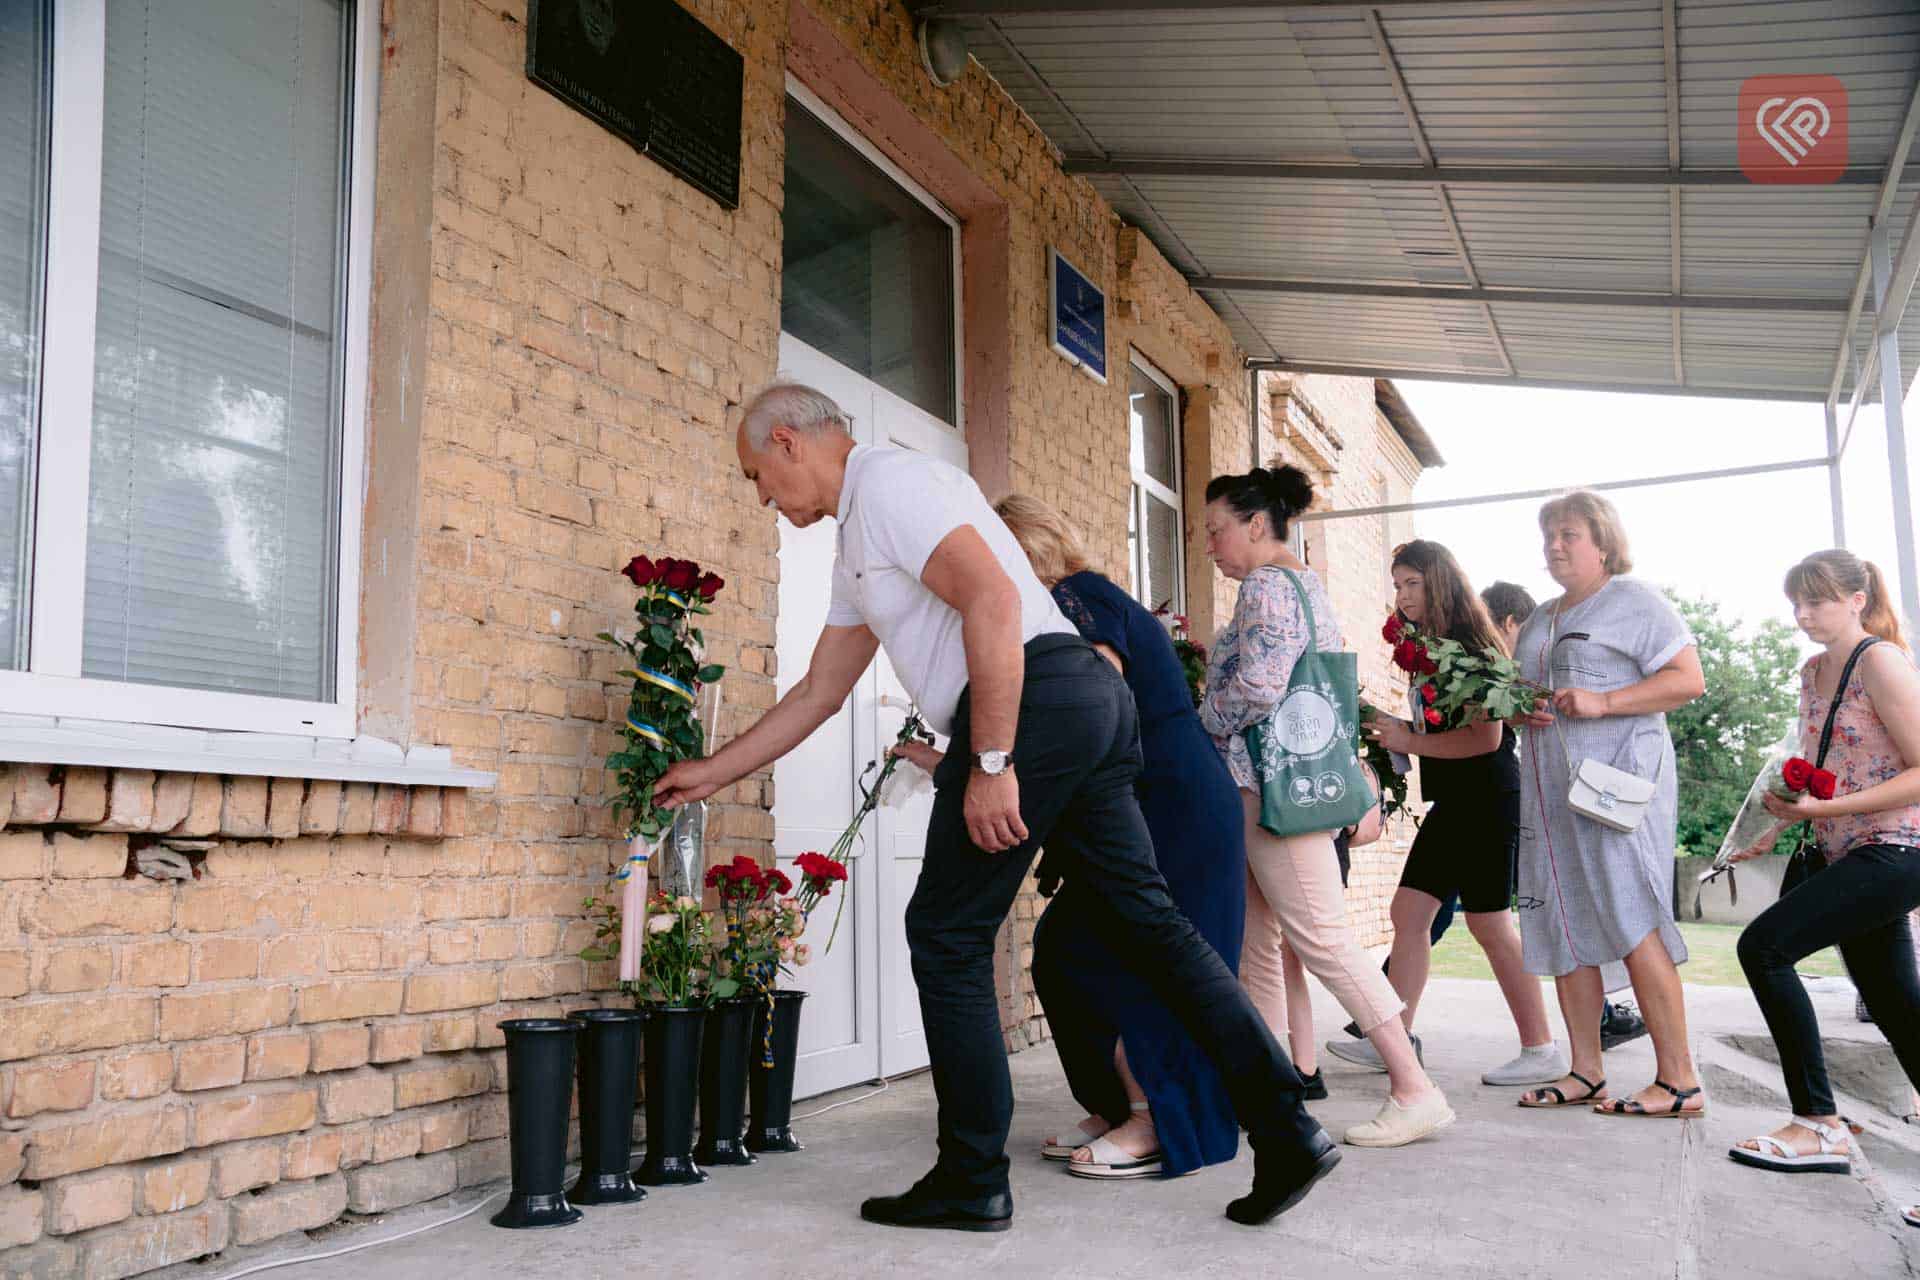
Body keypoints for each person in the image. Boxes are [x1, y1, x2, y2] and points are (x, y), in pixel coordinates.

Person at [655, 384, 1339, 1231]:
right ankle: (1288, 1129)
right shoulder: (858, 538)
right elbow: (820, 692)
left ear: (788, 441)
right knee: (1152, 926)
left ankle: (972, 1175)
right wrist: (713, 772)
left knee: (947, 934)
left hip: (1038, 700)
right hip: (1075, 701)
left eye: (755, 474)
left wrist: (990, 761)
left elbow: (995, 600)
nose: (760, 494)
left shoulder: (892, 485)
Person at [892, 493, 1246, 1181]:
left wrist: (990, 769)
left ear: (1018, 550)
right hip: (1139, 800)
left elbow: (1092, 701)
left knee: (1124, 953)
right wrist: (955, 766)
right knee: (1064, 950)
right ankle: (1120, 1101)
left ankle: (1156, 1116)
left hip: (1169, 804)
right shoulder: (1066, 603)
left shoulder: (1076, 597)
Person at [1198, 465, 1453, 1148]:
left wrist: (1201, 719)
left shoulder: (1267, 584)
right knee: (1260, 942)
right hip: (1272, 786)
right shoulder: (1300, 583)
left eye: (1217, 530)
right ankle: (1266, 1095)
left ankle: (1413, 1088)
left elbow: (1259, 687)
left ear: (1257, 524)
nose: (1210, 545)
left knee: (1324, 939)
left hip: (1274, 789)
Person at [1333, 541, 1563, 1087]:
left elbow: (1485, 740)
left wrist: (1407, 739)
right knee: (1410, 914)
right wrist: (1386, 723)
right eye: (1397, 585)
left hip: (1486, 797)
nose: (1401, 595)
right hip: (1457, 800)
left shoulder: (1469, 649)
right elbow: (1436, 729)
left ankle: (1541, 1048)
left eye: (1412, 583)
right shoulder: (1433, 650)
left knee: (1489, 923)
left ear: (1439, 583)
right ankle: (1395, 1038)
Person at [1509, 491, 1707, 1117]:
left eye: (1568, 534)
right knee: (1561, 918)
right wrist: (1520, 708)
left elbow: (1688, 679)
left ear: (1603, 542)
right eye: (1549, 535)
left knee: (1631, 912)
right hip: (1549, 792)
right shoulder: (1539, 618)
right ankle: (1585, 1071)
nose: (1555, 545)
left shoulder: (1635, 601)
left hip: (1618, 786)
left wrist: (1605, 701)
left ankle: (1680, 1081)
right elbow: (1521, 696)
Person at [1726, 550, 1920, 1177]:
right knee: (1896, 1006)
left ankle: (1818, 1123)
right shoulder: (1812, 673)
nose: (1803, 615)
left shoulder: (1881, 662)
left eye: (1816, 601)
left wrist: (1822, 811)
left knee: (1764, 948)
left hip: (1897, 848)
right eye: (1796, 604)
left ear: (1857, 600)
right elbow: (1826, 773)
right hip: (1845, 849)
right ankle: (1819, 1125)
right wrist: (1777, 823)